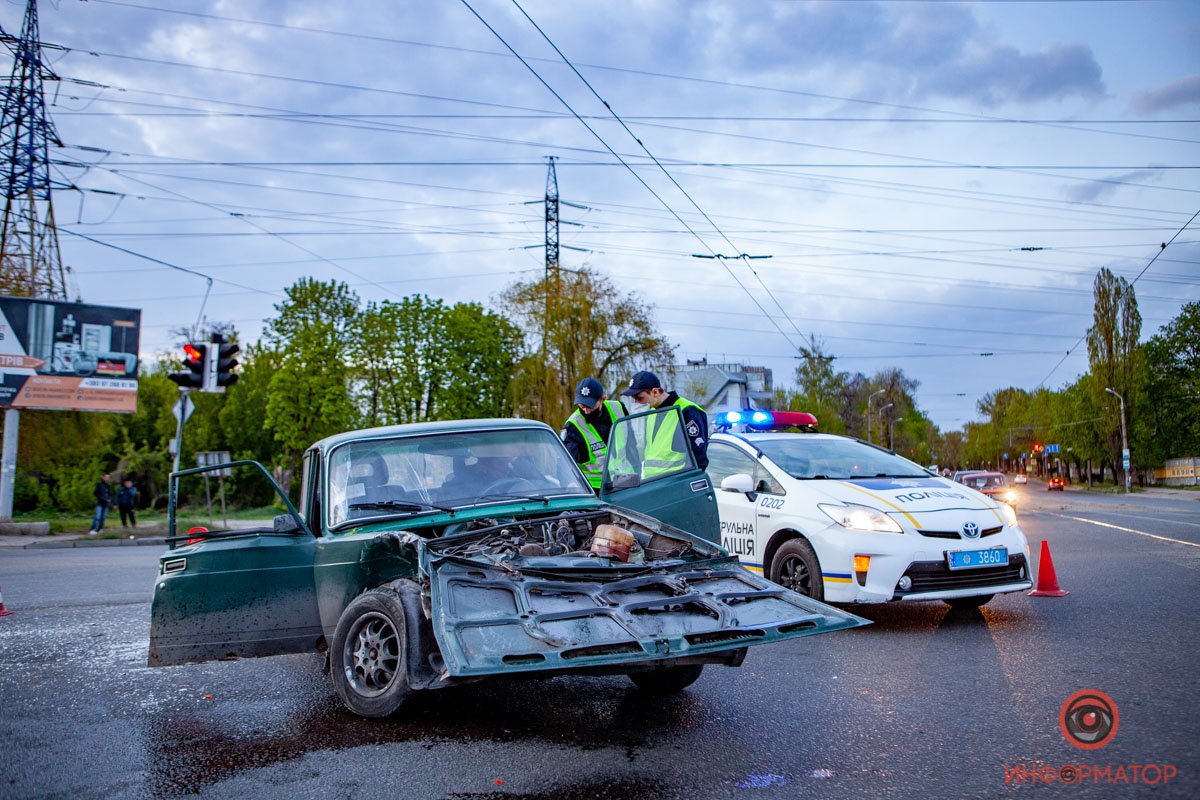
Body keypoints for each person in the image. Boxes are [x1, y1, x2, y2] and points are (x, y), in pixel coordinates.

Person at [621, 370, 709, 472]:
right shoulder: (651, 412)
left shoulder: (687, 410)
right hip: (653, 481)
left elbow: (699, 457)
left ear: (655, 392)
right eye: (634, 399)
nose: (636, 403)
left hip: (676, 482)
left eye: (639, 398)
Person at [560, 377, 626, 491]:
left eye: (590, 405)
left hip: (626, 481)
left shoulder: (618, 408)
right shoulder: (573, 427)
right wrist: (570, 485)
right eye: (582, 405)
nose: (586, 411)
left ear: (602, 399)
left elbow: (632, 444)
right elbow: (565, 462)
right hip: (596, 489)